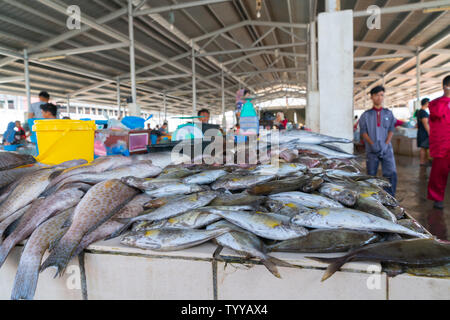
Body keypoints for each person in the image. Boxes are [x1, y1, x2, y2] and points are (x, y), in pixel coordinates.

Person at [359, 86, 397, 196]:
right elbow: (363, 132)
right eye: (376, 95)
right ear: (371, 97)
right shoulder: (365, 115)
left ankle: (390, 196)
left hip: (387, 149)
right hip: (371, 150)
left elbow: (391, 129)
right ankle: (372, 197)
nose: (379, 97)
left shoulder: (388, 113)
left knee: (391, 173)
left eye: (381, 95)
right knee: (371, 175)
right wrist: (372, 144)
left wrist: (386, 144)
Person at [427, 75, 450, 210]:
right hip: (442, 145)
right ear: (445, 86)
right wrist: (446, 97)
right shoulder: (435, 103)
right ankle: (437, 198)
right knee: (439, 173)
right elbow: (436, 114)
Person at [416, 98, 431, 166]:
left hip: (420, 131)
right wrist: (429, 132)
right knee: (423, 148)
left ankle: (424, 161)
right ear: (426, 103)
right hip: (424, 133)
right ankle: (422, 162)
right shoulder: (423, 112)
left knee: (424, 148)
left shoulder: (419, 111)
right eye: (429, 103)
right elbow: (425, 123)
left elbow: (417, 124)